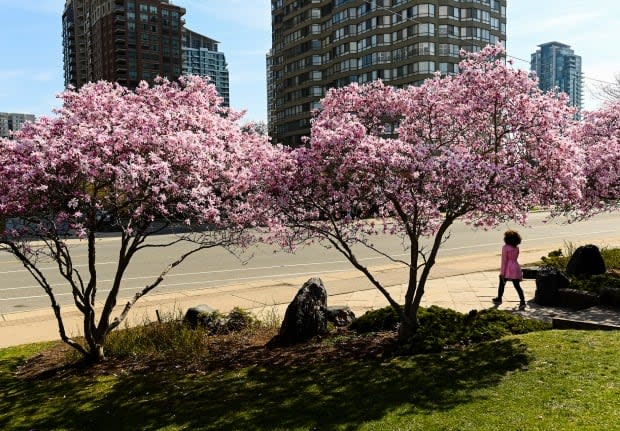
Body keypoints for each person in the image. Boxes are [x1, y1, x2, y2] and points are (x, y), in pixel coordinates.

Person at [493, 230, 526, 310]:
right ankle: (522, 301)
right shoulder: (516, 247)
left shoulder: (505, 247)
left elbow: (504, 261)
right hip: (515, 266)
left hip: (508, 267)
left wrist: (502, 273)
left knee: (502, 283)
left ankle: (499, 298)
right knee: (517, 285)